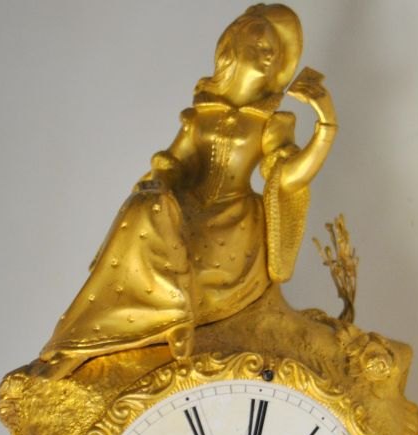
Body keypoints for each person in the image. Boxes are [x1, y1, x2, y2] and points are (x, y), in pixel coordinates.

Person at [39, 3, 337, 375]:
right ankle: (78, 345)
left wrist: (326, 125)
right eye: (259, 46)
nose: (267, 57)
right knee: (142, 207)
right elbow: (172, 163)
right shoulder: (199, 114)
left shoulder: (271, 122)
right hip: (186, 209)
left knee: (167, 229)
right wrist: (158, 183)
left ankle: (175, 317)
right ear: (231, 49)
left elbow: (288, 177)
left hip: (234, 224)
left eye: (273, 53)